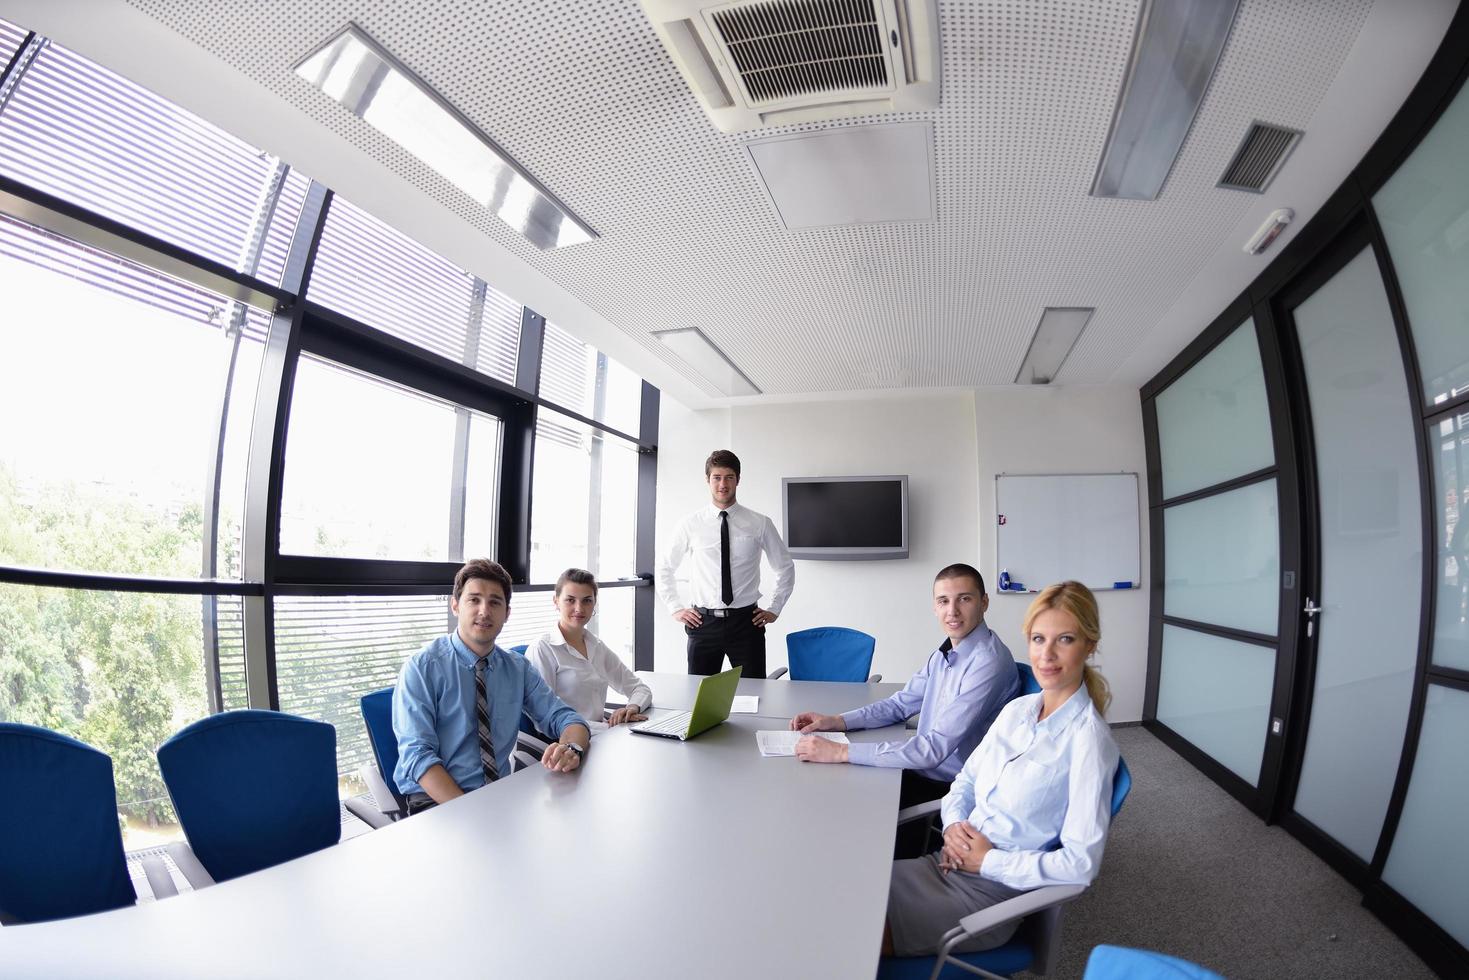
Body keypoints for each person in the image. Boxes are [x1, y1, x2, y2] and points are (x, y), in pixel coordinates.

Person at [882, 581, 1120, 958]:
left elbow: (1081, 866)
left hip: (987, 896)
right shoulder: (1018, 711)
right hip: (945, 862)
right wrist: (956, 825)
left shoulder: (1088, 741)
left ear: (1090, 645)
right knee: (841, 893)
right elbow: (965, 781)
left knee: (845, 932)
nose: (1048, 655)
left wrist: (987, 860)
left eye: (1066, 639)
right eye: (1039, 639)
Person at [789, 563, 1019, 856]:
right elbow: (900, 704)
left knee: (838, 804)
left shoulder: (988, 662)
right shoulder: (947, 652)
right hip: (921, 769)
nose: (953, 611)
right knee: (828, 791)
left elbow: (933, 749)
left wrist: (840, 752)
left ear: (984, 602)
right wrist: (836, 721)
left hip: (947, 787)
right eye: (943, 601)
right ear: (934, 608)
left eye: (965, 598)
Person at [392, 558, 591, 815]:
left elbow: (565, 717)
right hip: (437, 802)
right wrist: (472, 812)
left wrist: (571, 748)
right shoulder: (422, 667)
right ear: (455, 605)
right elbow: (418, 756)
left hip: (496, 795)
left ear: (507, 613)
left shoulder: (516, 668)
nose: (484, 611)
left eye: (495, 602)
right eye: (474, 600)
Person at [655, 449, 795, 677]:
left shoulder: (760, 523)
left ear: (738, 480)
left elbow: (785, 567)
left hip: (746, 624)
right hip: (703, 624)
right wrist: (675, 608)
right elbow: (664, 567)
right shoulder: (690, 524)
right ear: (708, 480)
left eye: (729, 477)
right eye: (717, 477)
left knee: (755, 694)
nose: (723, 484)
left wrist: (774, 609)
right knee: (700, 696)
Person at [526, 568, 653, 728]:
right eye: (570, 600)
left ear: (594, 603)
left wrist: (631, 708)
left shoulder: (596, 646)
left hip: (601, 734)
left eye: (587, 600)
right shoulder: (543, 649)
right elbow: (543, 716)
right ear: (556, 601)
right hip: (567, 742)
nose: (579, 608)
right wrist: (608, 728)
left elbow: (640, 688)